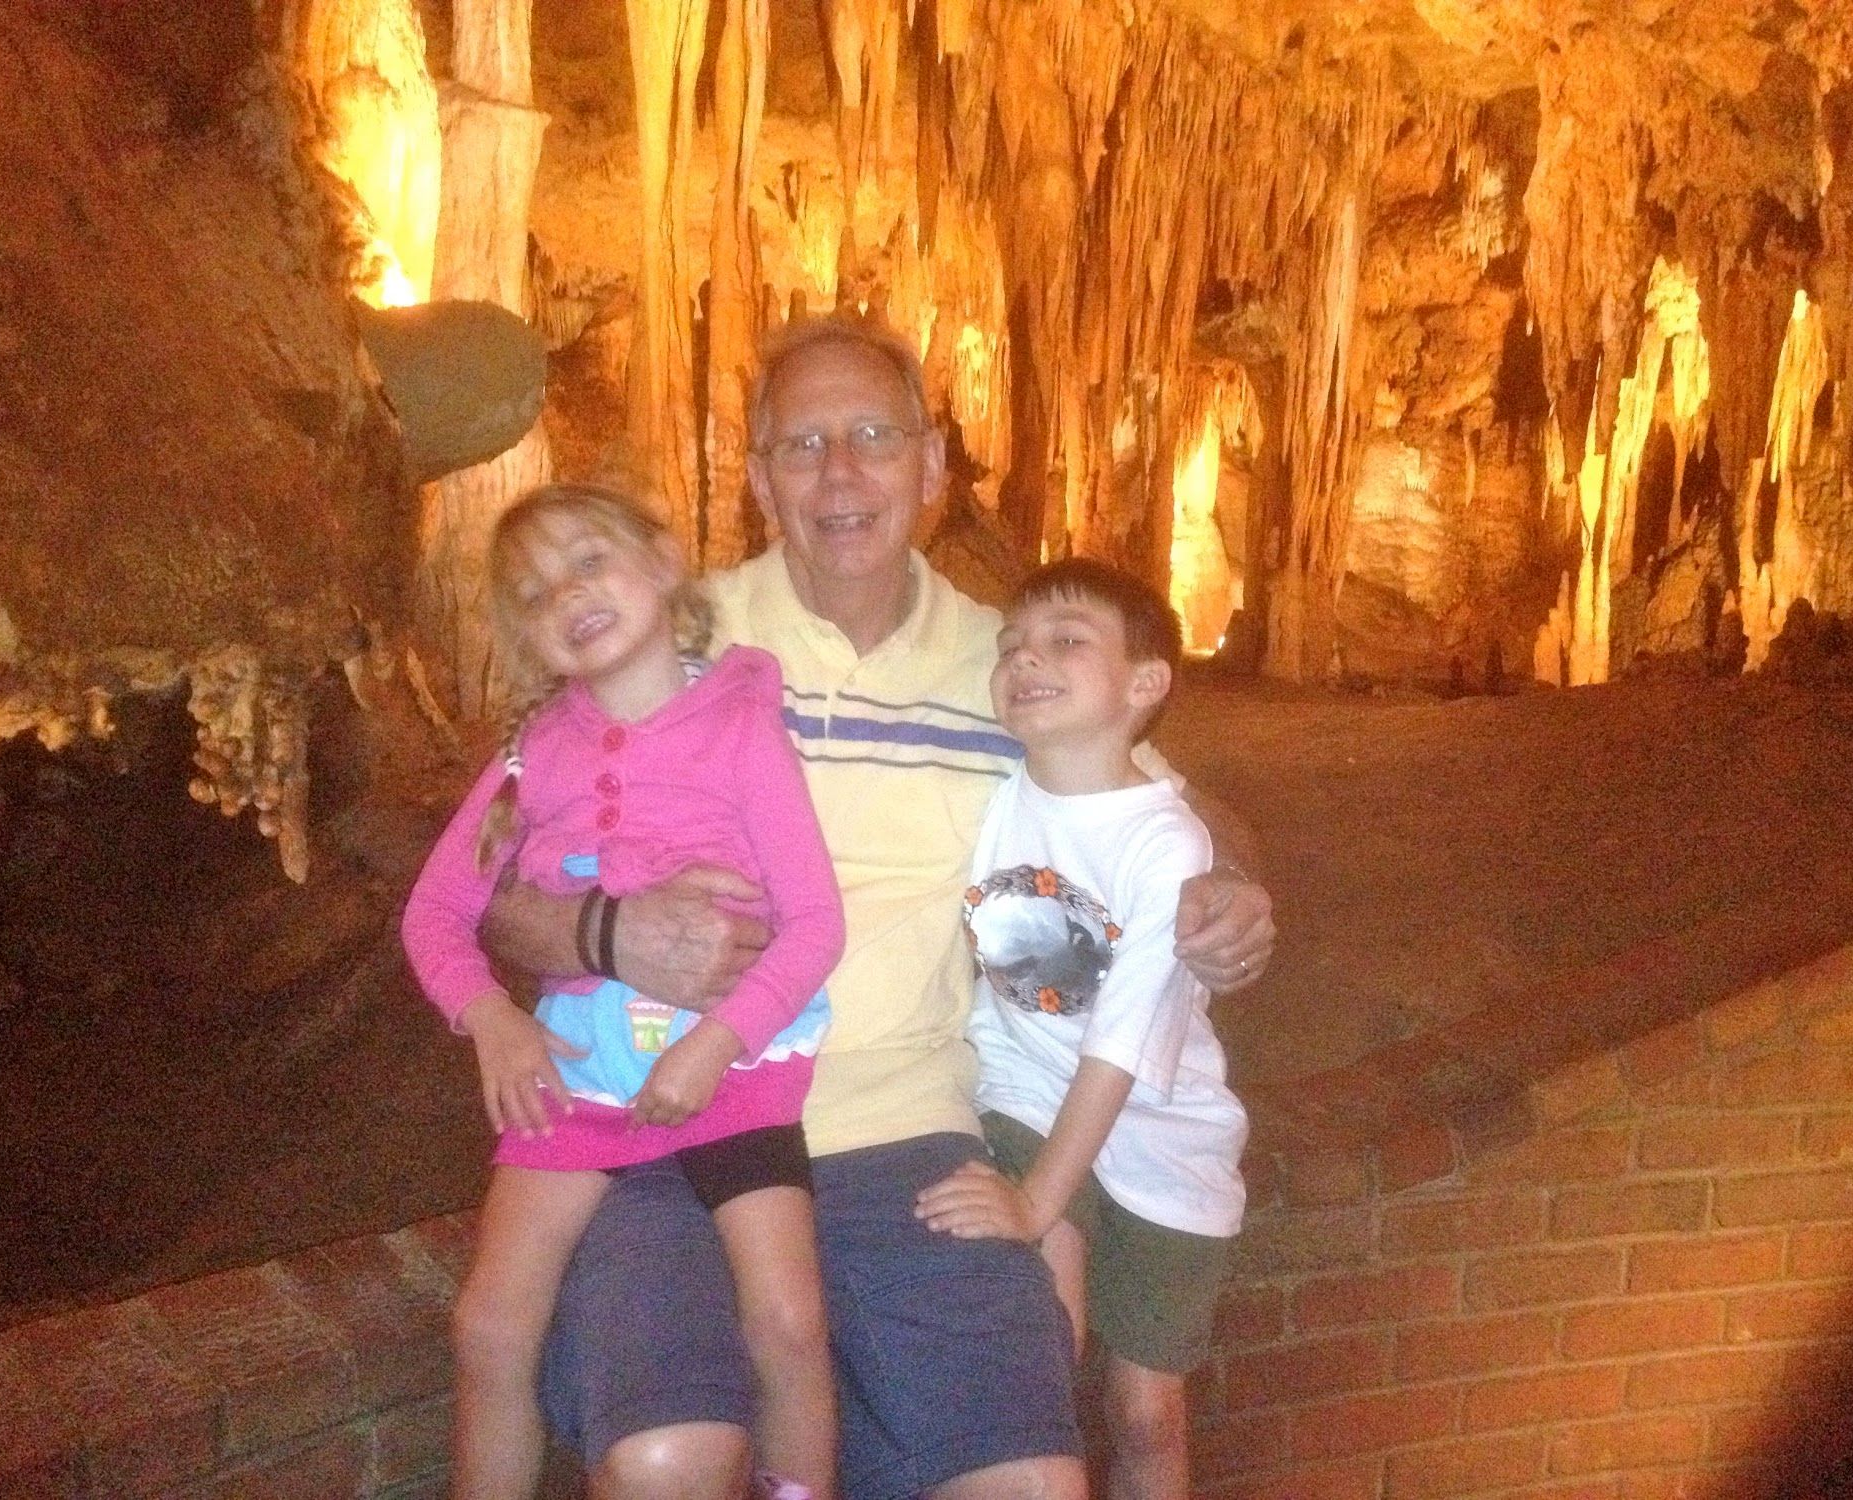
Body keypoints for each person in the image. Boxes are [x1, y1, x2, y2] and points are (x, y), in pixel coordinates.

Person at [482, 314, 1276, 1500]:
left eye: (871, 436)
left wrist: (1234, 894)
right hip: (670, 1131)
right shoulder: (665, 638)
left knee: (1028, 1488)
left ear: (932, 466)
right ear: (756, 480)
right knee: (663, 1464)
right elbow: (491, 895)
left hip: (908, 1138)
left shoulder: (1006, 667)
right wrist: (607, 931)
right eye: (801, 446)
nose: (839, 474)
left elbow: (1170, 804)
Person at [401, 484, 845, 1500]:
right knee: (488, 1324)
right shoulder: (530, 755)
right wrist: (492, 1020)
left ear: (660, 558)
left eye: (587, 561)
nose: (567, 595)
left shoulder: (741, 731)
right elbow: (434, 912)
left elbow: (816, 923)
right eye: (534, 592)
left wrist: (715, 1044)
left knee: (786, 1320)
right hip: (581, 1072)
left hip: (733, 1069)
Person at [915, 558, 1248, 1500]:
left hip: (1160, 1130)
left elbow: (1120, 1051)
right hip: (1024, 1098)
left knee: (1146, 1415)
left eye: (1067, 641)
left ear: (1145, 685)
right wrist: (1034, 1204)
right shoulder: (991, 795)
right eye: (1012, 646)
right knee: (1039, 1363)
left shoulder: (1165, 843)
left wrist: (1031, 1203)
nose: (1028, 659)